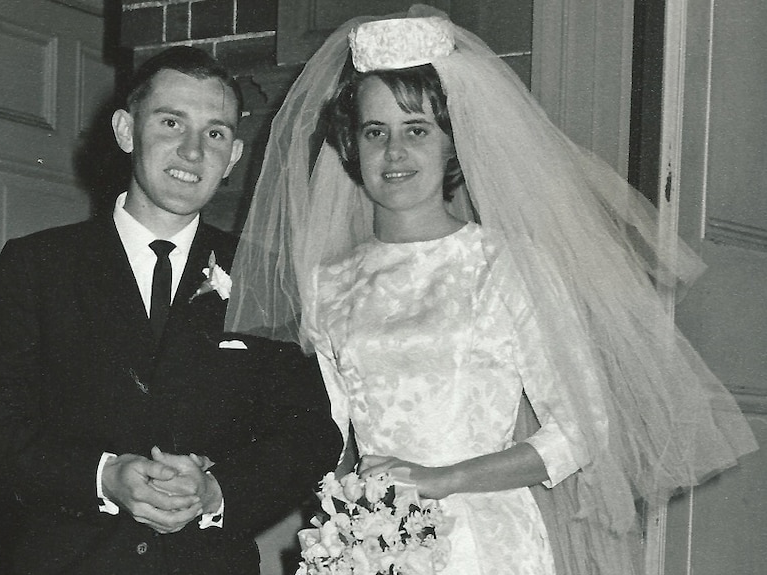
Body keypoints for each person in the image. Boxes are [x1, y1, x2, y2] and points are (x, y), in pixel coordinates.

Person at [225, 6, 757, 575]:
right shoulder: (329, 284)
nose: (395, 152)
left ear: (453, 143)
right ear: (351, 147)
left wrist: (443, 479)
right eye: (375, 131)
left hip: (488, 542)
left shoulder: (505, 264)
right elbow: (325, 435)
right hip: (372, 539)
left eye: (418, 130)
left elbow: (581, 431)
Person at [0, 46, 340, 575]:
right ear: (127, 131)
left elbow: (311, 432)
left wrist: (216, 492)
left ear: (235, 158)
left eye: (215, 133)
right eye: (172, 122)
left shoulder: (262, 277)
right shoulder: (37, 266)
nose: (193, 151)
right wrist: (101, 477)